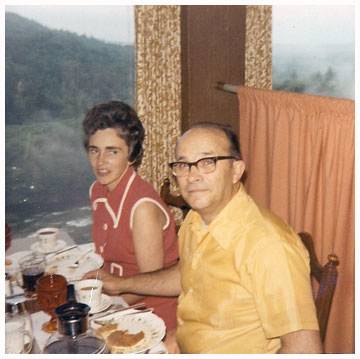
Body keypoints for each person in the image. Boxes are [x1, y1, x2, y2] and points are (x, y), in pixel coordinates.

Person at [85, 122, 322, 353]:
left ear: (236, 171)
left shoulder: (268, 246)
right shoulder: (196, 220)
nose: (192, 176)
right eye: (183, 165)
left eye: (208, 162)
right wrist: (121, 285)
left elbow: (305, 349)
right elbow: (186, 274)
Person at [82, 101, 179, 330]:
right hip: (113, 300)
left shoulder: (142, 208)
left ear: (132, 154)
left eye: (112, 152)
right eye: (94, 150)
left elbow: (150, 284)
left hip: (150, 315)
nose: (101, 162)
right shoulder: (97, 190)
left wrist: (102, 314)